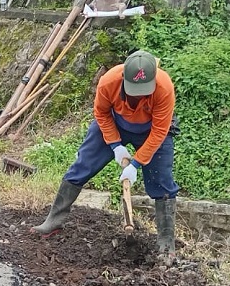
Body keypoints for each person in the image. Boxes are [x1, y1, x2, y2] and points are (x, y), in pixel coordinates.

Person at [31, 50, 179, 254]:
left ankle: (165, 243)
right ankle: (53, 221)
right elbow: (101, 112)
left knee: (162, 182)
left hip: (151, 130)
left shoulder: (164, 87)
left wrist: (136, 163)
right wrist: (115, 145)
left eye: (144, 90)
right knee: (83, 165)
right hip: (115, 122)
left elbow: (160, 130)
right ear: (124, 78)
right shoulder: (108, 81)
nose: (139, 94)